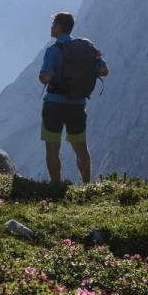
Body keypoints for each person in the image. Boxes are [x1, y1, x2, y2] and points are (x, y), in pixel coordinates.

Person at [37, 11, 107, 184]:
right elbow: (104, 71)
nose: (51, 27)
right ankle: (87, 185)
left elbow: (45, 77)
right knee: (81, 148)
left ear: (59, 28)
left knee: (52, 149)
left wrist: (44, 76)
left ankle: (56, 186)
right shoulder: (85, 49)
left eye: (53, 24)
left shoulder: (53, 51)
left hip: (54, 104)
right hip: (77, 104)